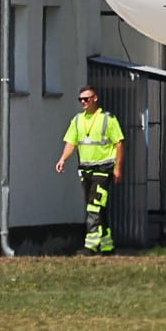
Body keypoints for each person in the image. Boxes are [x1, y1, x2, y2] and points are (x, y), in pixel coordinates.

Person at [55, 86, 126, 256]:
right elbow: (71, 142)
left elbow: (119, 143)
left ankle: (91, 244)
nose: (83, 102)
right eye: (81, 100)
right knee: (98, 207)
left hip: (103, 168)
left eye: (86, 99)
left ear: (95, 98)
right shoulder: (77, 120)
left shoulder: (108, 119)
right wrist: (63, 159)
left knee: (94, 206)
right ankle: (107, 245)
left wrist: (117, 167)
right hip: (86, 170)